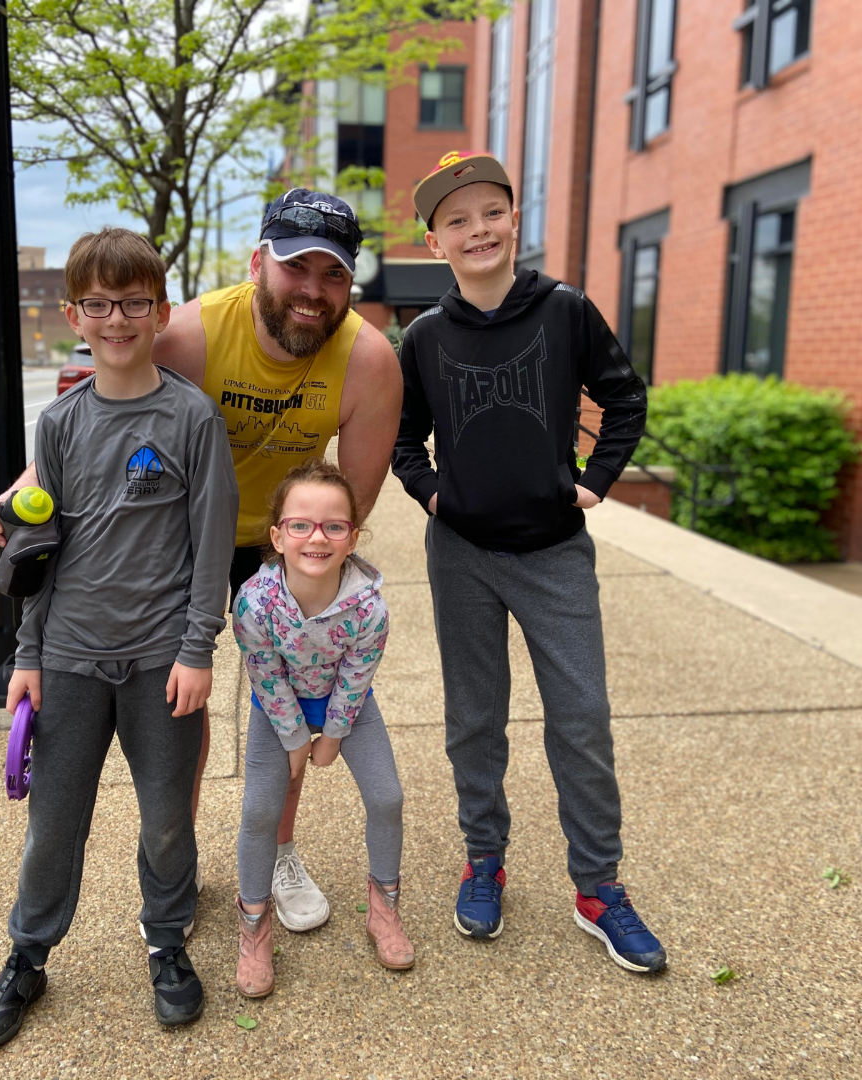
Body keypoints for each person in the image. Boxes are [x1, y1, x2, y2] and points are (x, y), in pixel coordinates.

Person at [0, 190, 402, 933]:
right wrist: (25, 489)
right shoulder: (191, 333)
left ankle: (276, 849)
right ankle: (185, 861)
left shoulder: (369, 361)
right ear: (256, 264)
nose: (311, 288)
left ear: (349, 284)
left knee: (291, 694)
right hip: (183, 532)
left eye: (331, 274)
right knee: (185, 697)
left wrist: (306, 579)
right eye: (293, 266)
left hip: (285, 540)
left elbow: (350, 504)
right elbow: (102, 424)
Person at [391, 151, 666, 974]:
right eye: (456, 220)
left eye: (490, 212)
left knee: (580, 717)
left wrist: (592, 486)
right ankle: (484, 860)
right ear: (435, 242)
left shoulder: (566, 312)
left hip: (554, 554)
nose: (476, 229)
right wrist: (435, 497)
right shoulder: (425, 337)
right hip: (462, 555)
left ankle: (598, 887)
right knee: (474, 719)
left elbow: (625, 399)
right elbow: (406, 442)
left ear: (515, 220)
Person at [0, 228, 238, 1047]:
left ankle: (167, 941)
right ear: (73, 315)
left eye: (131, 302)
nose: (115, 318)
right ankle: (28, 952)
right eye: (97, 303)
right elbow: (41, 556)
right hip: (73, 658)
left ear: (159, 311)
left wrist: (198, 649)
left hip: (162, 662)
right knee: (54, 821)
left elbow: (212, 543)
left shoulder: (192, 418)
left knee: (166, 818)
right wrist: (28, 658)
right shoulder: (58, 424)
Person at [231, 458, 412, 997]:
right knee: (261, 811)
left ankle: (383, 907)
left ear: (352, 536)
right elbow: (262, 672)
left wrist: (332, 734)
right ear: (277, 536)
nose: (318, 536)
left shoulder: (368, 608)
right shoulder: (254, 603)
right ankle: (255, 926)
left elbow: (358, 677)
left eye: (335, 525)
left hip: (346, 705)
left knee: (387, 798)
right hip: (275, 707)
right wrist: (293, 738)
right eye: (301, 525)